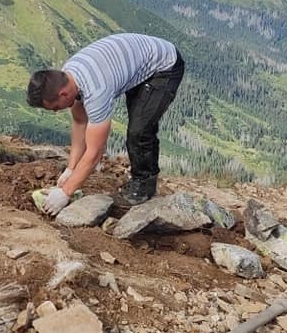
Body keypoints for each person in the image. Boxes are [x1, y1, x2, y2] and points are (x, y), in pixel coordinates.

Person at [27, 33, 184, 215]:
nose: (55, 111)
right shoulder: (68, 75)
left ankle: (143, 188)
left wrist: (65, 192)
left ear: (63, 94)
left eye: (54, 107)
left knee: (139, 131)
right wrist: (71, 169)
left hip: (165, 66)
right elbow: (80, 122)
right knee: (138, 121)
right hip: (139, 62)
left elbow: (95, 152)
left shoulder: (96, 92)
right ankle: (140, 181)